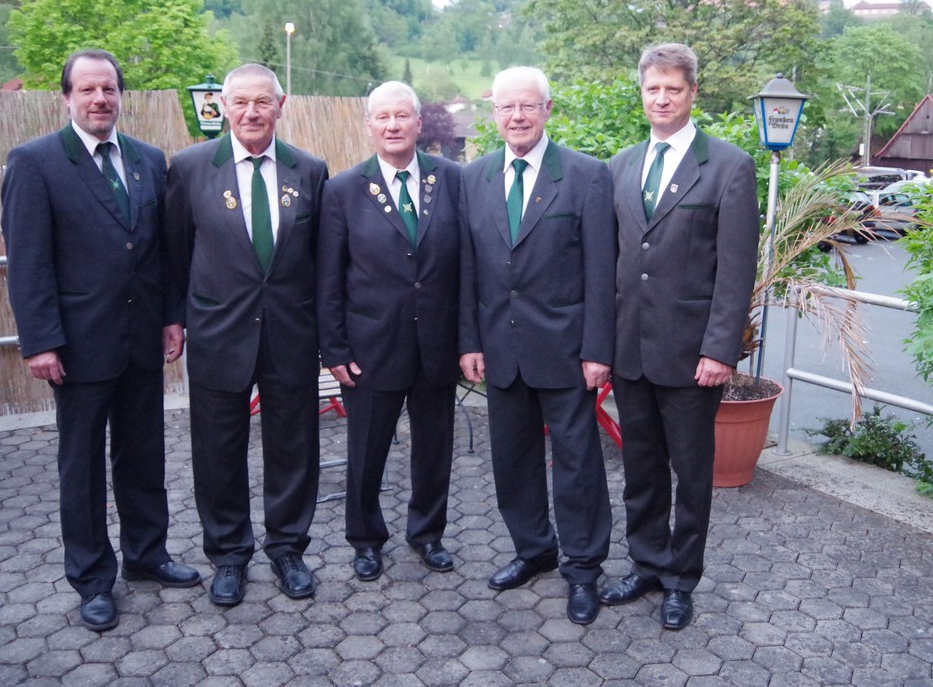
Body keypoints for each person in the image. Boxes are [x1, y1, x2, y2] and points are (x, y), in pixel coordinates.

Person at [0, 49, 200, 632]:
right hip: (78, 346)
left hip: (141, 339)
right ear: (66, 97)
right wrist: (40, 342)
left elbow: (160, 252)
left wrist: (171, 317)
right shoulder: (35, 163)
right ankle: (91, 578)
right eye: (87, 89)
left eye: (108, 88)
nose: (99, 99)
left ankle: (147, 555)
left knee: (143, 454)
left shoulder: (147, 160)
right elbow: (28, 262)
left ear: (120, 94)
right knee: (82, 466)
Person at [601, 43, 759, 630]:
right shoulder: (619, 167)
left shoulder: (729, 166)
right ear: (641, 94)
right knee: (640, 468)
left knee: (691, 475)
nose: (662, 99)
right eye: (653, 89)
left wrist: (720, 348)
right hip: (630, 350)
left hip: (693, 356)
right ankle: (646, 564)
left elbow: (736, 267)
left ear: (693, 93)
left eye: (673, 89)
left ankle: (679, 580)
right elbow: (613, 261)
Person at [166, 63, 328, 606]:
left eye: (263, 102)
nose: (252, 112)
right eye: (240, 102)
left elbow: (321, 261)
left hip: (291, 334)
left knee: (294, 448)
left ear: (281, 107)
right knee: (218, 452)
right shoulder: (189, 168)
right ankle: (229, 554)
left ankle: (288, 548)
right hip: (219, 332)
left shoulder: (310, 170)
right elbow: (174, 254)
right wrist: (175, 319)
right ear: (224, 107)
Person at [459, 66, 615, 626]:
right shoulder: (472, 178)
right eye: (507, 107)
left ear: (548, 110)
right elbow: (468, 267)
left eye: (528, 106)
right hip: (500, 348)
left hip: (567, 350)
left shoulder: (586, 175)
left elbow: (602, 270)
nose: (517, 116)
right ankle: (533, 549)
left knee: (577, 463)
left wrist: (598, 349)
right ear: (493, 113)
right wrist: (469, 340)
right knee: (512, 459)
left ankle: (583, 567)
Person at [318, 81, 461, 581]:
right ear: (369, 126)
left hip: (437, 343)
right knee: (366, 451)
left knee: (434, 448)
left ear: (419, 124)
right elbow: (328, 278)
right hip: (371, 347)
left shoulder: (452, 180)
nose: (393, 125)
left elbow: (466, 265)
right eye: (383, 117)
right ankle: (365, 539)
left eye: (402, 116)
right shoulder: (342, 190)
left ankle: (428, 533)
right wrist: (334, 348)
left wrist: (467, 340)